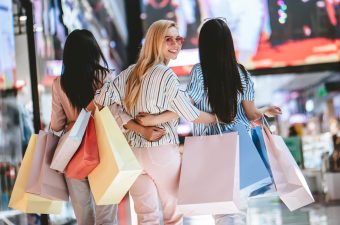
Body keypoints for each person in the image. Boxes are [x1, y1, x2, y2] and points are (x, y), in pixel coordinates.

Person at [136, 18, 282, 225]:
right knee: (239, 210)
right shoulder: (241, 73)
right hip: (241, 145)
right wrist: (264, 111)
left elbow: (184, 106)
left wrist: (154, 119)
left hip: (210, 148)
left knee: (222, 210)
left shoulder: (199, 71)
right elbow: (251, 114)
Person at [94, 20, 216, 225]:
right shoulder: (166, 74)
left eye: (179, 39)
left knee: (146, 217)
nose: (176, 44)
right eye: (168, 39)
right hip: (161, 151)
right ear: (154, 41)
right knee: (173, 216)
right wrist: (216, 118)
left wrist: (136, 126)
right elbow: (190, 113)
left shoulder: (129, 72)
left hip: (132, 153)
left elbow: (99, 100)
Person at [50, 29, 164, 225]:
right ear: (93, 51)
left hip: (73, 153)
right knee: (106, 218)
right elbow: (117, 114)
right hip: (104, 150)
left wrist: (73, 122)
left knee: (84, 218)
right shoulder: (104, 77)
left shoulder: (59, 84)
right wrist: (141, 129)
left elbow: (56, 124)